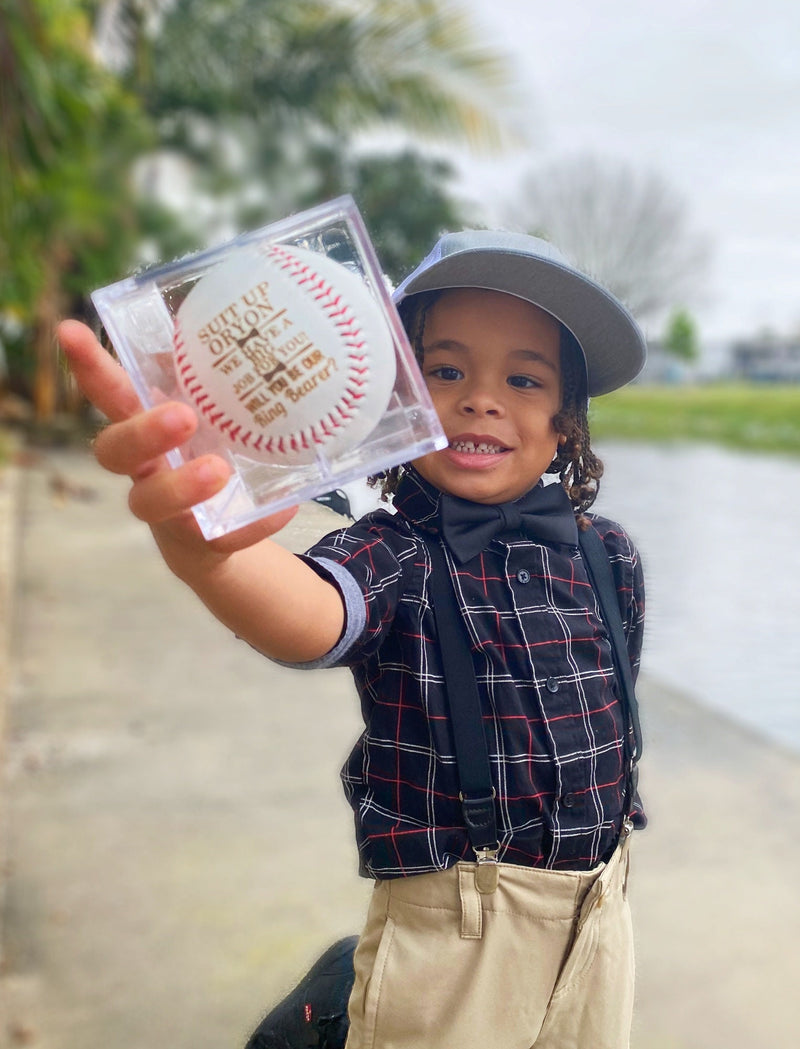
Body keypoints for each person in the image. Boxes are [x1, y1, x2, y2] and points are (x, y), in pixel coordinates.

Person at [58, 229, 647, 1049]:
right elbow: (313, 613)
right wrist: (211, 554)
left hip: (601, 903)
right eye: (445, 370)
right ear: (388, 395)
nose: (482, 397)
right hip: (457, 926)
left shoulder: (606, 552)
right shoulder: (395, 551)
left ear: (564, 426)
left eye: (523, 377)